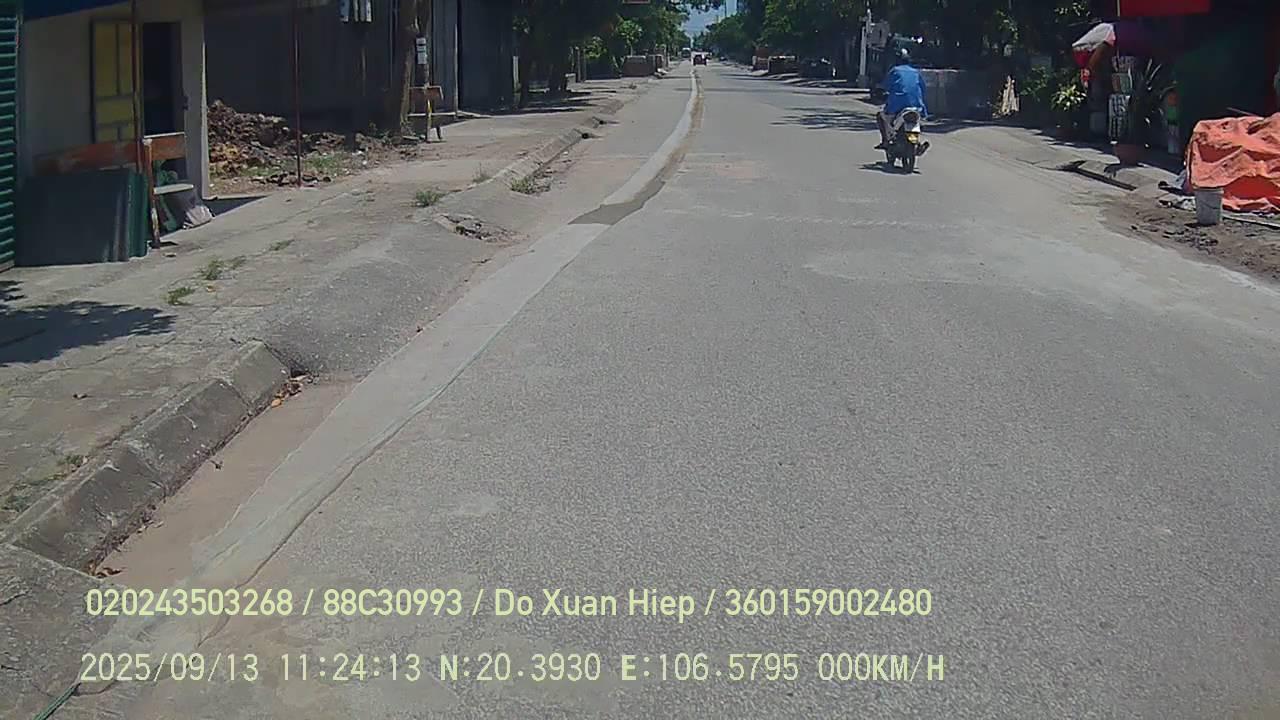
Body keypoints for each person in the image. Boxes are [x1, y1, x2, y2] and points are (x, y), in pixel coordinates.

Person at [875, 48, 929, 153]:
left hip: (896, 107)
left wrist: (880, 91)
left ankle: (885, 141)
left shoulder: (895, 71)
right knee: (916, 124)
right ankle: (917, 143)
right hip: (916, 107)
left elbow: (884, 86)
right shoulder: (916, 72)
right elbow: (923, 88)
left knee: (881, 116)